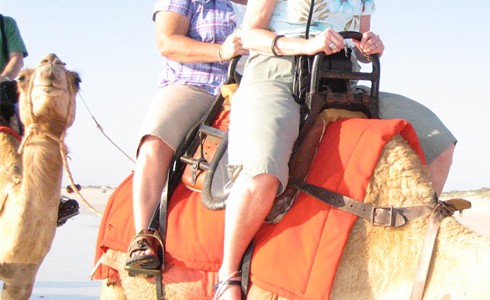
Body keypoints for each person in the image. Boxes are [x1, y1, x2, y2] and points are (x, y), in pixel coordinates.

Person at [214, 0, 457, 298]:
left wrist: (369, 47)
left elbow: (360, 45)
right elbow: (249, 35)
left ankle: (406, 243)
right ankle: (227, 273)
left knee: (439, 143)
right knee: (261, 174)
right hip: (276, 76)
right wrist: (305, 45)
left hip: (340, 82)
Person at [124, 0, 247, 277]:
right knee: (155, 141)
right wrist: (220, 51)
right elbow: (167, 42)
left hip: (254, 89)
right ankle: (144, 236)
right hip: (196, 85)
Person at [0, 14, 80, 226]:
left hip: (3, 90)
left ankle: (50, 201)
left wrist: (4, 78)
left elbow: (16, 58)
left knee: (37, 130)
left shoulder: (5, 24)